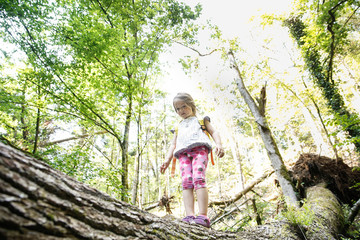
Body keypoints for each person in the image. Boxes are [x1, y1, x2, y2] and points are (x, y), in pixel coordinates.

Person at [160, 92, 225, 228]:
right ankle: (190, 215)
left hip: (199, 150)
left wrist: (219, 144)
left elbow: (214, 132)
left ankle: (203, 216)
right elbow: (173, 144)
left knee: (199, 178)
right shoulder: (178, 126)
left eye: (183, 106)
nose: (180, 111)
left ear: (191, 105)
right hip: (182, 154)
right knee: (186, 181)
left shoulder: (201, 120)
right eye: (177, 109)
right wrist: (167, 160)